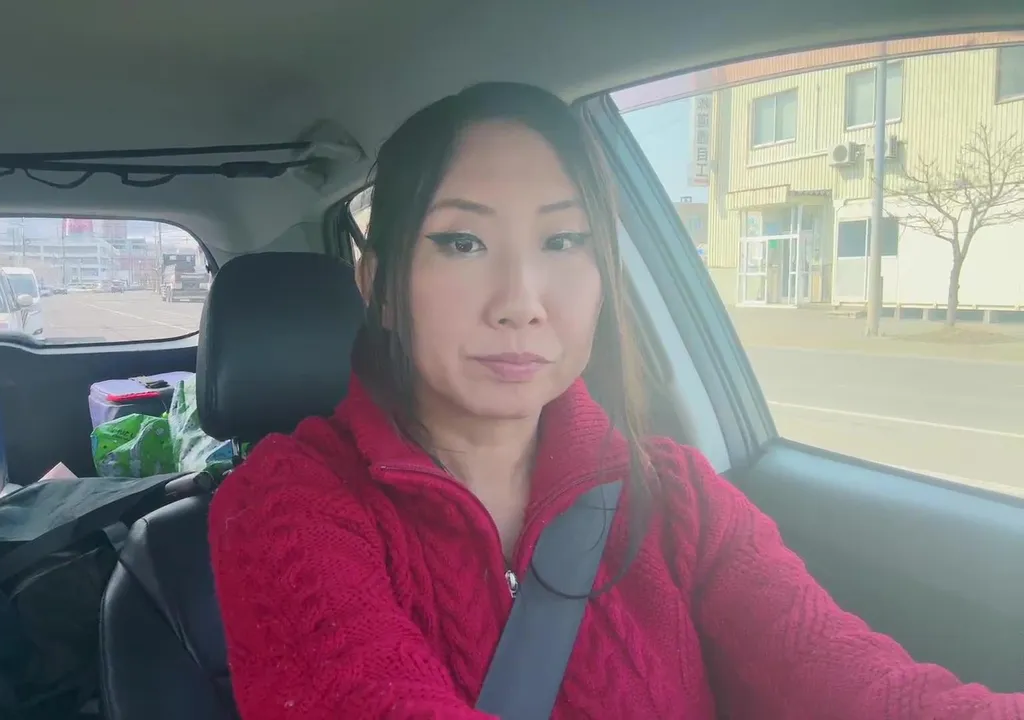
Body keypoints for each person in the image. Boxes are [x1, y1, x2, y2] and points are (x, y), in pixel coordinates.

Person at [207, 82, 1024, 719]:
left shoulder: (675, 499)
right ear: (380, 287)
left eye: (565, 240)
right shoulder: (285, 507)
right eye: (462, 241)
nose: (521, 301)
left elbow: (872, 692)